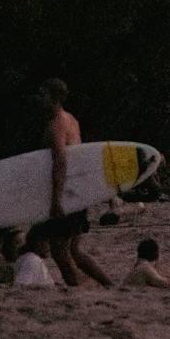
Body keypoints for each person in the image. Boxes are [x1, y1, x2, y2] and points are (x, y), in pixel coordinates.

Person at [29, 80, 113, 288]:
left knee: (59, 250)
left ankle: (77, 289)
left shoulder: (56, 125)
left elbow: (61, 162)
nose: (37, 99)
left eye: (42, 95)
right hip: (78, 193)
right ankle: (110, 284)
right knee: (74, 250)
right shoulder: (72, 120)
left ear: (54, 98)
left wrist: (56, 200)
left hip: (66, 194)